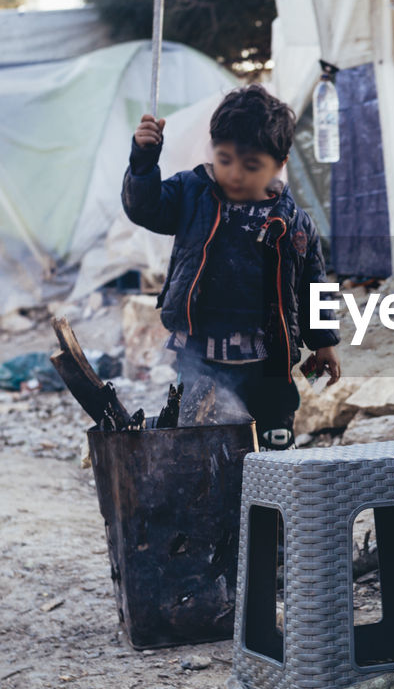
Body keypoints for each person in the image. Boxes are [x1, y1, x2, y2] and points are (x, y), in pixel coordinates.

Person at [122, 84, 341, 448]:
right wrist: (143, 161)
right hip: (200, 359)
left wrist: (324, 344)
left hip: (269, 365)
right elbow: (144, 208)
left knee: (273, 451)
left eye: (251, 165)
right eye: (225, 159)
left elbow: (313, 285)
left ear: (280, 163)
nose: (235, 174)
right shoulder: (190, 193)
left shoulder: (295, 223)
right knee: (199, 448)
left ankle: (269, 506)